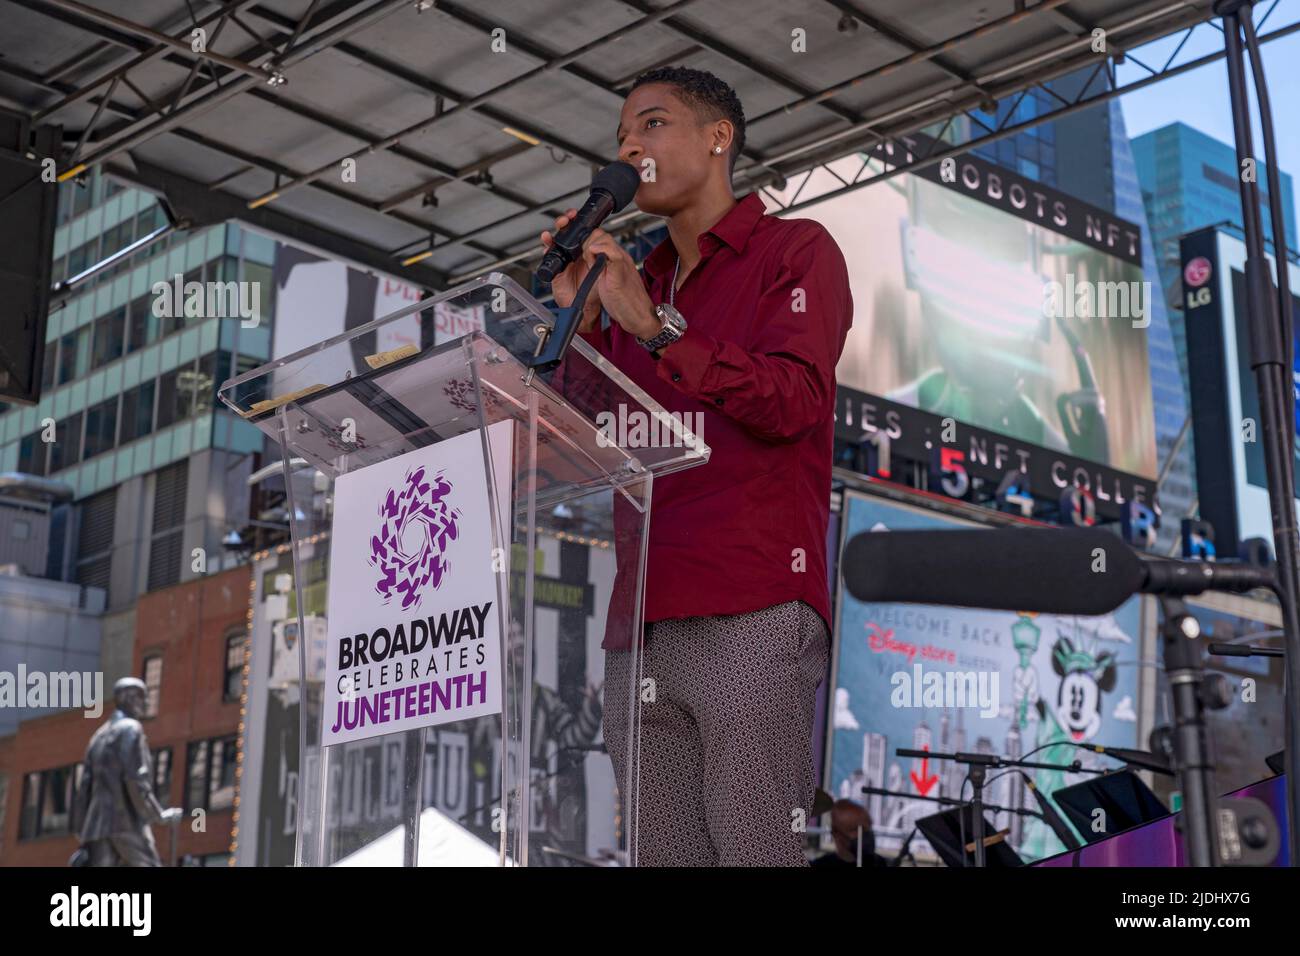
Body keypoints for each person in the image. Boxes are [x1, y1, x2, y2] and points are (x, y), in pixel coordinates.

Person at [540, 66, 853, 866]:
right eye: (620, 137)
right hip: (639, 621)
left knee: (755, 852)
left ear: (720, 138)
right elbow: (592, 428)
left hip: (751, 602)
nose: (628, 147)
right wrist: (574, 318)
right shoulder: (630, 285)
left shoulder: (795, 250)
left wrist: (656, 332)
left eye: (650, 125)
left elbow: (793, 401)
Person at [71, 677, 182, 866]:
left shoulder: (98, 736)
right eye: (142, 698)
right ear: (129, 699)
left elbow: (84, 789)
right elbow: (136, 780)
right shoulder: (131, 729)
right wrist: (158, 815)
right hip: (125, 822)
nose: (145, 703)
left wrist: (81, 829)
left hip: (96, 827)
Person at [810, 799, 889, 868]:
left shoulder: (879, 862)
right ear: (836, 834)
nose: (866, 833)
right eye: (856, 829)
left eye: (869, 826)